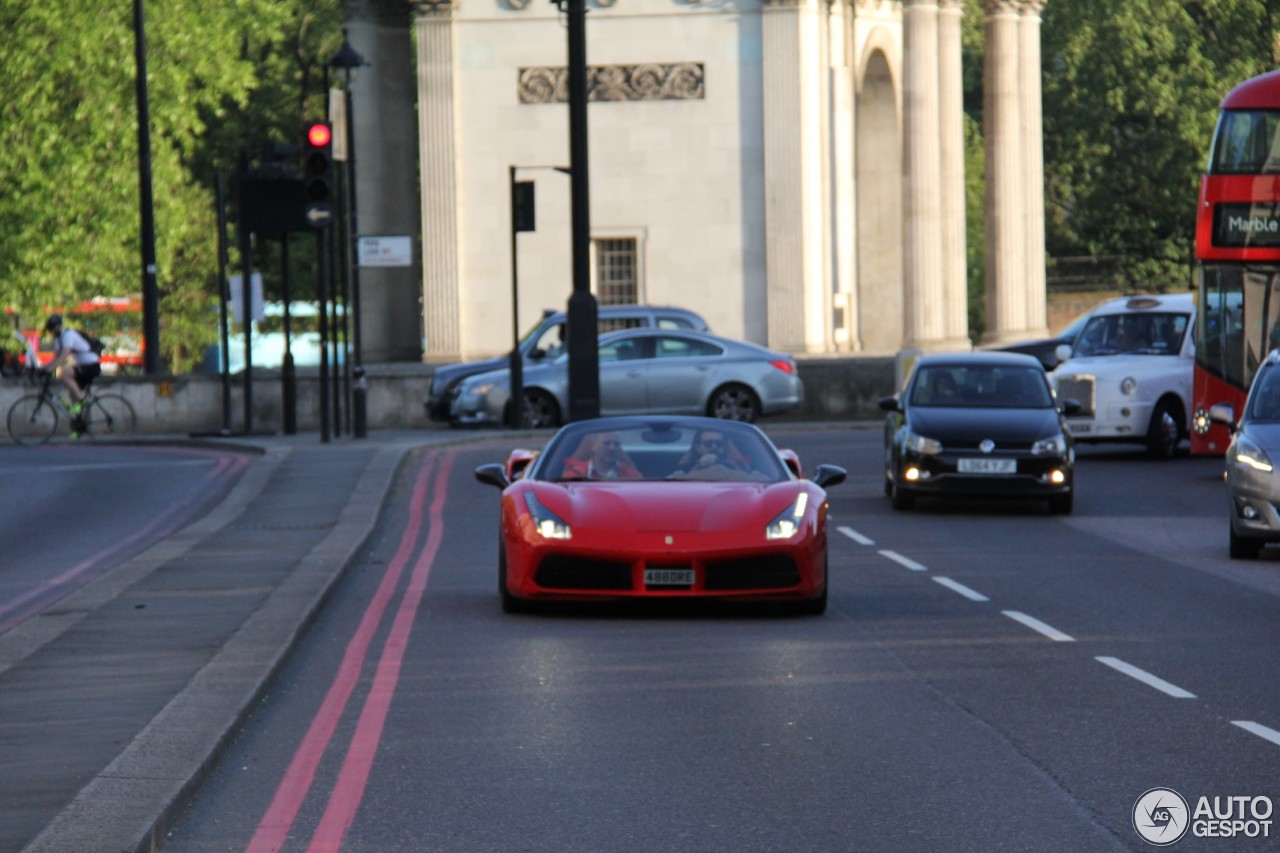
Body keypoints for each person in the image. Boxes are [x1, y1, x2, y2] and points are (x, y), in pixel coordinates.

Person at [41, 314, 100, 431]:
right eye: (50, 330)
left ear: (59, 326)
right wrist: (42, 368)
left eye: (53, 328)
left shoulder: (68, 335)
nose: (52, 331)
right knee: (72, 394)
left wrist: (50, 368)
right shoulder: (58, 339)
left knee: (63, 374)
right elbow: (55, 358)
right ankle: (79, 427)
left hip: (91, 366)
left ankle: (82, 399)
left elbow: (63, 357)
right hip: (82, 366)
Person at [560, 431, 642, 480]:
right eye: (607, 443)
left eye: (616, 444)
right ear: (593, 446)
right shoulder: (575, 475)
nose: (612, 447)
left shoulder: (632, 476)